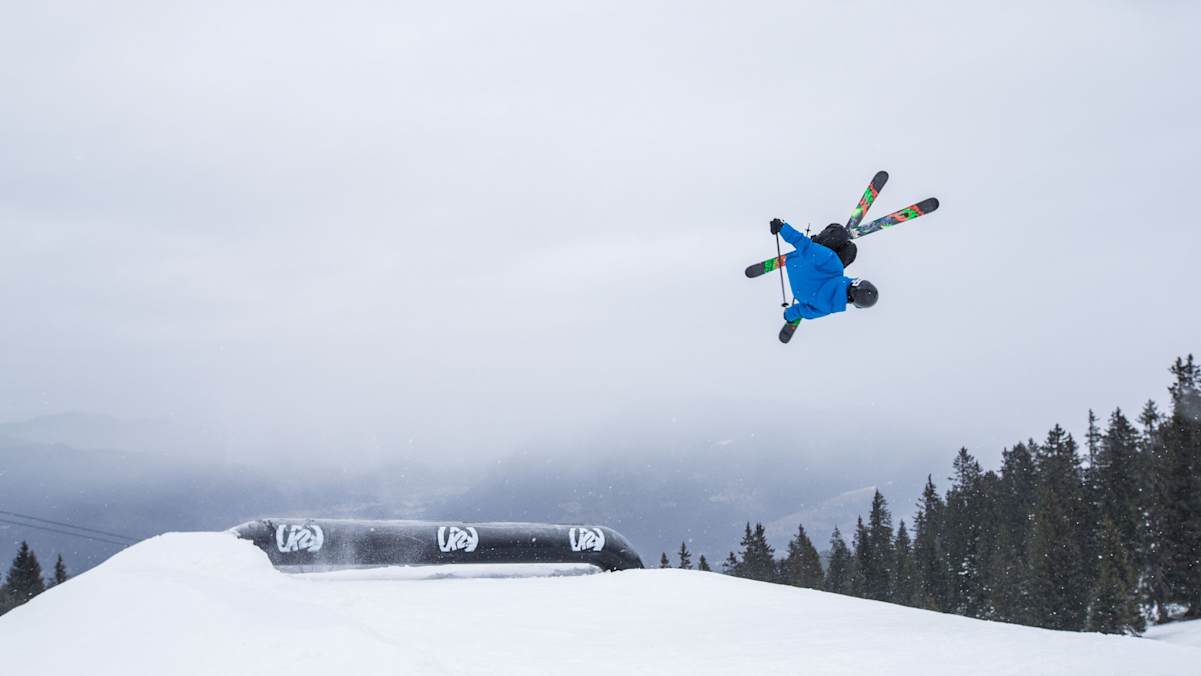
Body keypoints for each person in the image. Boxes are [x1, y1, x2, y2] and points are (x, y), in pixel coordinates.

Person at [770, 218, 878, 323]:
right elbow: (801, 311)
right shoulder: (827, 308)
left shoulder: (834, 266)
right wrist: (788, 316)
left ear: (855, 283)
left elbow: (806, 246)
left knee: (843, 238)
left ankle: (832, 238)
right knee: (848, 251)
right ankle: (839, 243)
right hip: (798, 289)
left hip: (798, 258)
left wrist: (782, 228)